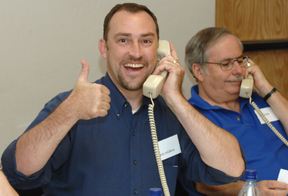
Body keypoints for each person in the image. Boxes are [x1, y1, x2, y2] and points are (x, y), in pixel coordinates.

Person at [1, 4, 245, 195]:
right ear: (104, 48)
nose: (136, 52)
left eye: (146, 41)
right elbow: (19, 171)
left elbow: (231, 169)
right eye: (123, 40)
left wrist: (175, 97)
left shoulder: (171, 114)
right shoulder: (72, 106)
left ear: (159, 49)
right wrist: (69, 113)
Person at [184, 27, 288, 196]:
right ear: (199, 71)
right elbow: (203, 184)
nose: (239, 70)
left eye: (240, 60)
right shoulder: (192, 117)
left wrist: (266, 89)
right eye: (226, 64)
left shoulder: (258, 100)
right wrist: (250, 190)